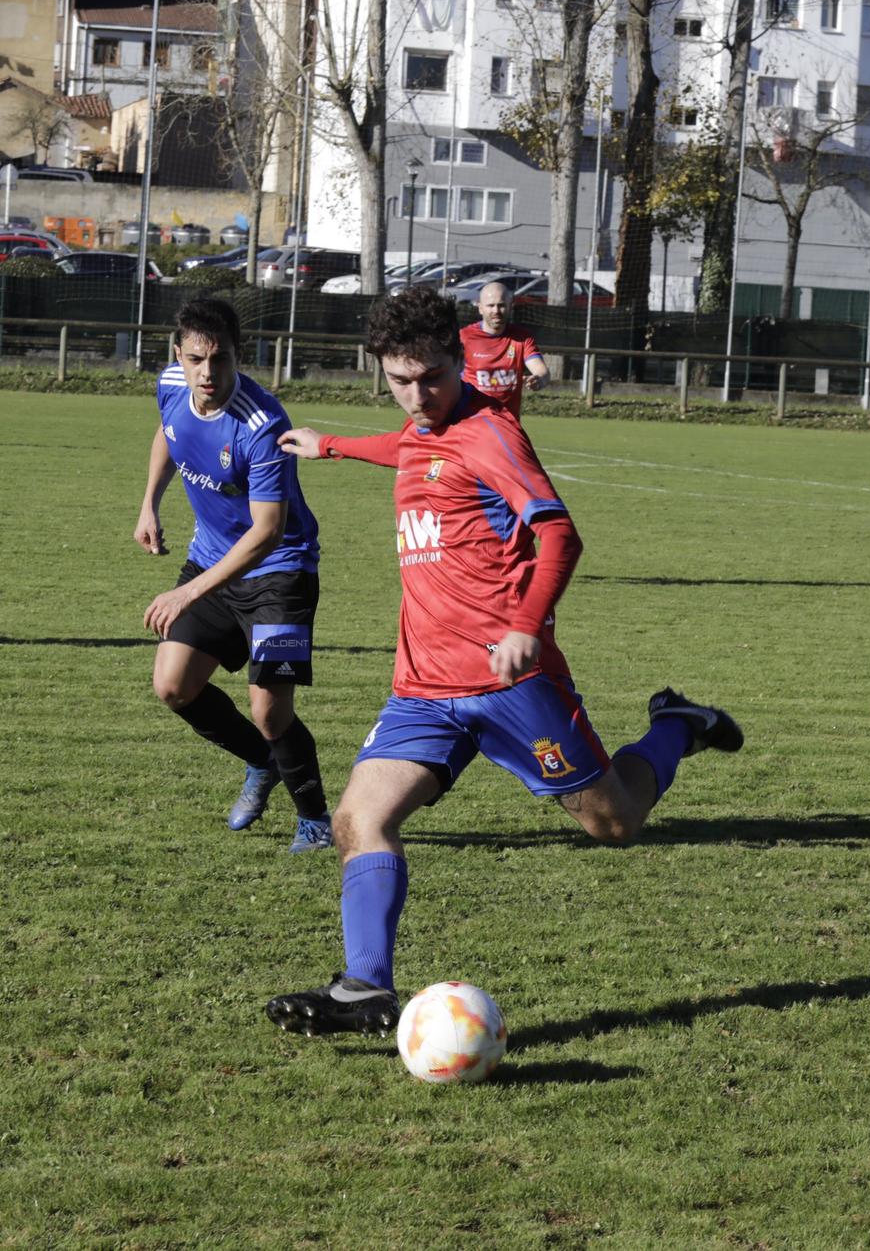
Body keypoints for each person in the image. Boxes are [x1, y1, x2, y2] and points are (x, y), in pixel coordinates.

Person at [263, 287, 744, 1035]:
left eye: (431, 378)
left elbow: (560, 534)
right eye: (399, 380)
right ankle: (365, 985)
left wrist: (525, 624)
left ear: (460, 360)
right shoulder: (422, 427)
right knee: (361, 818)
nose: (417, 395)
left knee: (615, 824)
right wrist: (331, 445)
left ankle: (678, 724)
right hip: (423, 684)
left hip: (509, 679)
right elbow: (410, 447)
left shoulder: (492, 433)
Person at [135, 297, 333, 854]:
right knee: (173, 686)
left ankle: (316, 821)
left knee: (270, 710)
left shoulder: (262, 424)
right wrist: (149, 503)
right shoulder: (173, 385)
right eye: (196, 359)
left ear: (237, 359)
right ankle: (260, 761)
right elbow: (167, 435)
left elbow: (267, 531)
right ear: (179, 354)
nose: (207, 373)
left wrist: (188, 592)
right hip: (210, 561)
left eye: (218, 361)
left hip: (279, 572)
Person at [458, 281, 549, 415]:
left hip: (509, 423)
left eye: (501, 305)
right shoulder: (464, 337)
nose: (496, 311)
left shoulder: (522, 338)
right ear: (480, 308)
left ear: (510, 306)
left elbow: (542, 371)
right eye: (491, 305)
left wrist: (539, 379)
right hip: (474, 422)